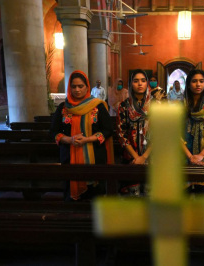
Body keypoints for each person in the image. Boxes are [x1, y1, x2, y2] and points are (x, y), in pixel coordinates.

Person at [50, 70, 114, 201]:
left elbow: (108, 130)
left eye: (81, 86)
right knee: (71, 199)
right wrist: (69, 139)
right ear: (69, 87)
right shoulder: (63, 108)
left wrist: (87, 139)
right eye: (73, 86)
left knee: (95, 198)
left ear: (87, 87)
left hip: (95, 158)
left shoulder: (98, 106)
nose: (77, 90)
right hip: (69, 157)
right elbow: (53, 131)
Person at [116, 69, 152, 195]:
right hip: (131, 158)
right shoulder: (124, 106)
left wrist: (144, 157)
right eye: (136, 81)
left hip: (152, 156)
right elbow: (121, 134)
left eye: (143, 81)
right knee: (132, 197)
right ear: (131, 83)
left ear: (147, 83)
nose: (140, 84)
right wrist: (137, 157)